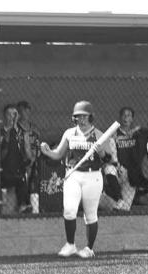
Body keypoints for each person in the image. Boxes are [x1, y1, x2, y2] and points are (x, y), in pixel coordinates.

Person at [40, 100, 116, 258]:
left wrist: (100, 151)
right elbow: (58, 154)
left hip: (92, 176)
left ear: (90, 117)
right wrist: (48, 152)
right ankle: (70, 244)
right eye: (78, 117)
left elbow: (109, 159)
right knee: (69, 209)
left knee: (90, 214)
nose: (81, 120)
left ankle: (89, 248)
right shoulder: (69, 133)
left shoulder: (99, 134)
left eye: (84, 116)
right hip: (73, 174)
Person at [0, 103, 33, 213]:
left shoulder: (22, 133)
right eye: (9, 114)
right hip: (3, 170)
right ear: (4, 116)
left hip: (18, 170)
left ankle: (24, 206)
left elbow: (28, 152)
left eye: (14, 114)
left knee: (23, 179)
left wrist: (30, 162)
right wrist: (10, 131)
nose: (12, 117)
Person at [16, 100, 41, 201]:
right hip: (21, 161)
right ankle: (23, 204)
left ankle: (34, 205)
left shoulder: (34, 128)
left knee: (34, 183)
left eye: (27, 110)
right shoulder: (15, 128)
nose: (25, 113)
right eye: (22, 111)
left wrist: (35, 157)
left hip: (34, 160)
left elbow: (38, 145)